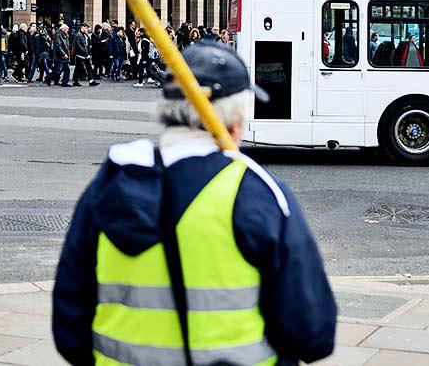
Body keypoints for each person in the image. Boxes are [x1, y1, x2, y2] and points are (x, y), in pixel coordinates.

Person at [52, 38, 337, 366]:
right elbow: (313, 333)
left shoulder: (107, 187)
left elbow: (69, 328)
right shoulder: (258, 194)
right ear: (234, 120)